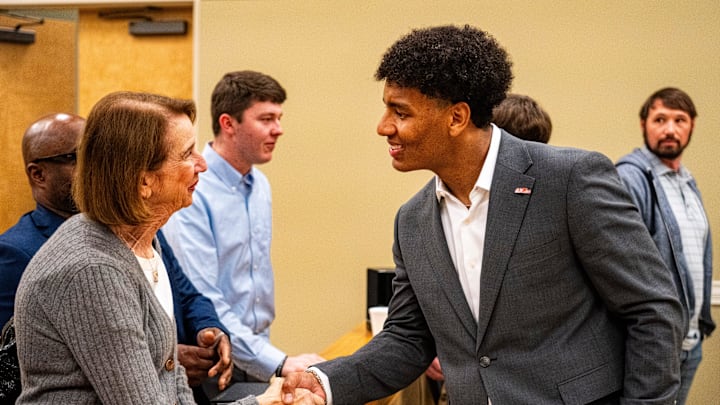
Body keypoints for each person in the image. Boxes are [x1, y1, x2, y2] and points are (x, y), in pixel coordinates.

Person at [281, 24, 684, 404]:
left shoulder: (569, 179)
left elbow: (652, 309)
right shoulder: (412, 221)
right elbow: (407, 339)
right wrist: (325, 381)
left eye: (400, 112)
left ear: (456, 117)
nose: (383, 127)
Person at [12, 92, 322, 405]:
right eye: (188, 153)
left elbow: (173, 387)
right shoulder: (93, 270)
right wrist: (263, 403)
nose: (202, 163)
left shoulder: (144, 240)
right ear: (143, 181)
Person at [0, 112, 231, 404]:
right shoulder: (26, 253)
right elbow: (17, 364)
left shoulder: (140, 233)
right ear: (39, 174)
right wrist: (159, 357)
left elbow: (184, 292)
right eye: (77, 156)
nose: (94, 165)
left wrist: (207, 329)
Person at [163, 71, 324, 386]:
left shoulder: (259, 184)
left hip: (256, 347)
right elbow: (203, 296)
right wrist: (279, 362)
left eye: (279, 118)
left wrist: (269, 357)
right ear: (228, 124)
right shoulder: (195, 190)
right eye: (266, 119)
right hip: (213, 357)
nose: (278, 129)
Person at [615, 87, 715, 405]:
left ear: (692, 126)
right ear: (643, 124)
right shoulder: (631, 180)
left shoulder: (687, 182)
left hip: (690, 342)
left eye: (679, 120)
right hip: (654, 345)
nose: (670, 129)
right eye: (660, 119)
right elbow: (624, 264)